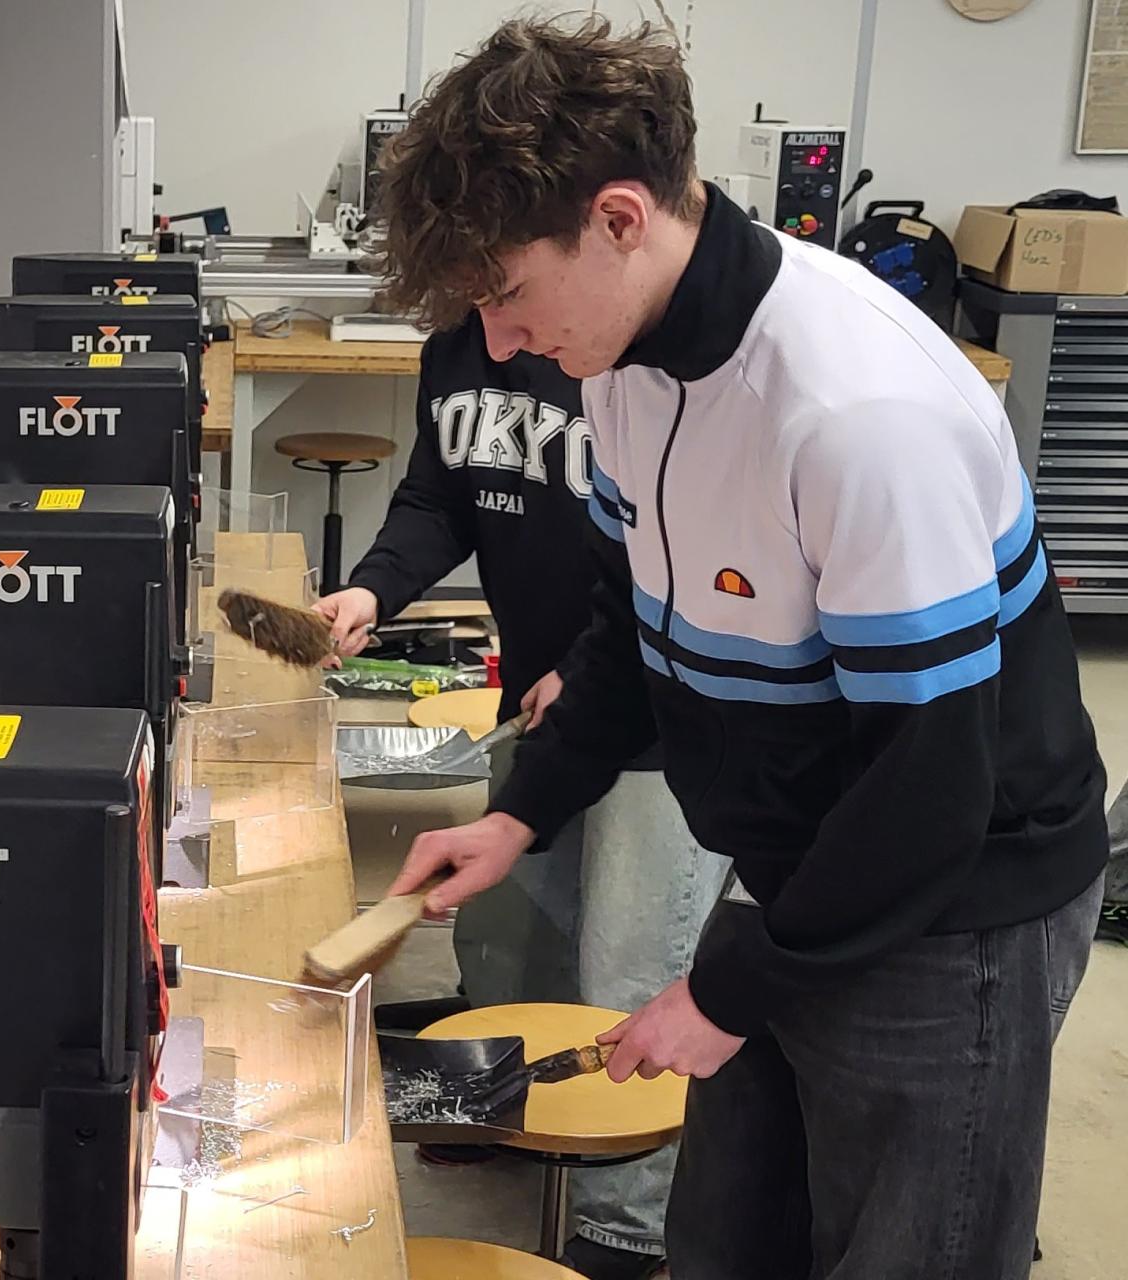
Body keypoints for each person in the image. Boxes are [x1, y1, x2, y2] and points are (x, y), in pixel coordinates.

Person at [380, 17, 1108, 1280]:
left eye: (504, 292)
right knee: (724, 1237)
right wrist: (523, 810)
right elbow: (631, 627)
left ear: (618, 218)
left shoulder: (856, 413)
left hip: (953, 903)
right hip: (798, 866)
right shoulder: (621, 361)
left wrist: (728, 989)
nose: (496, 341)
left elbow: (930, 783)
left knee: (902, 1253)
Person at [316, 312, 723, 1278]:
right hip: (541, 708)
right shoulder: (458, 350)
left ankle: (628, 1225)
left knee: (630, 969)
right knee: (509, 940)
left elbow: (685, 557)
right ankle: (505, 1113)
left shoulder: (628, 358)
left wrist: (588, 669)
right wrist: (373, 591)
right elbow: (438, 499)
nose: (495, 334)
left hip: (654, 719)